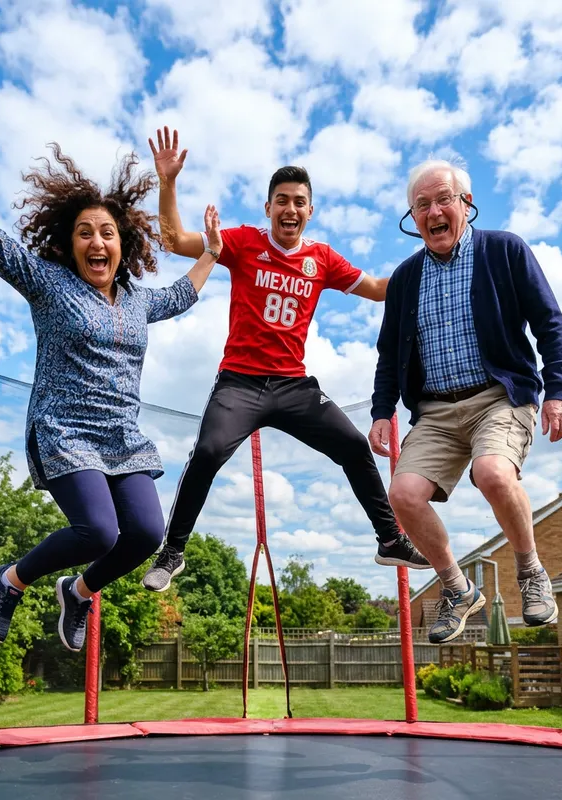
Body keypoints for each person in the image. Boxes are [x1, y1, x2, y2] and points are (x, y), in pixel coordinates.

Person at [0, 83, 222, 652]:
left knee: (146, 534)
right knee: (99, 530)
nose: (97, 242)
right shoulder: (51, 286)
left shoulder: (135, 301)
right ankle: (7, 582)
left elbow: (180, 296)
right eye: (85, 233)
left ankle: (77, 592)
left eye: (107, 233)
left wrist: (210, 254)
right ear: (71, 243)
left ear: (122, 244)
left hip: (121, 437)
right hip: (67, 430)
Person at [141, 127, 430, 593]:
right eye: (281, 200)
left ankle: (389, 538)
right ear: (268, 208)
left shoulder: (322, 259)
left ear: (309, 211)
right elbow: (174, 239)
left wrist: (429, 249)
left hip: (294, 387)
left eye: (299, 201)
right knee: (210, 451)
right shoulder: (241, 242)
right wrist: (168, 182)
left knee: (355, 448)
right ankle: (173, 550)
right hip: (240, 382)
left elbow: (378, 289)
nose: (290, 209)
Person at [369, 159, 562, 644]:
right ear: (412, 217)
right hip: (437, 411)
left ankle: (530, 572)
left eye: (444, 199)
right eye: (422, 205)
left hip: (499, 398)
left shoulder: (504, 251)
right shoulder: (404, 279)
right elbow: (388, 353)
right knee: (402, 495)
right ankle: (457, 589)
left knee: (493, 472)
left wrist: (559, 391)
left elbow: (550, 323)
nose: (434, 211)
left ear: (466, 204)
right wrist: (382, 411)